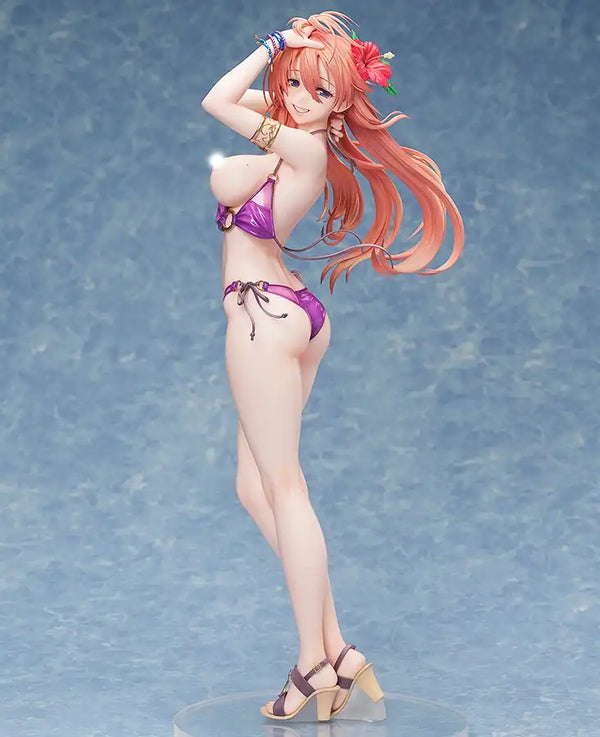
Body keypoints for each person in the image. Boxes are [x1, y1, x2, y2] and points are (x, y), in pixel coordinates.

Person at [201, 10, 464, 721]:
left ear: (341, 102)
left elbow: (217, 100)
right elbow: (253, 100)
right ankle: (339, 647)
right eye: (296, 85)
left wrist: (272, 46)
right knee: (256, 488)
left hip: (261, 317)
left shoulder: (300, 147)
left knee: (285, 489)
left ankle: (311, 664)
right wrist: (297, 65)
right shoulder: (298, 130)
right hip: (292, 310)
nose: (299, 97)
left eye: (320, 91)